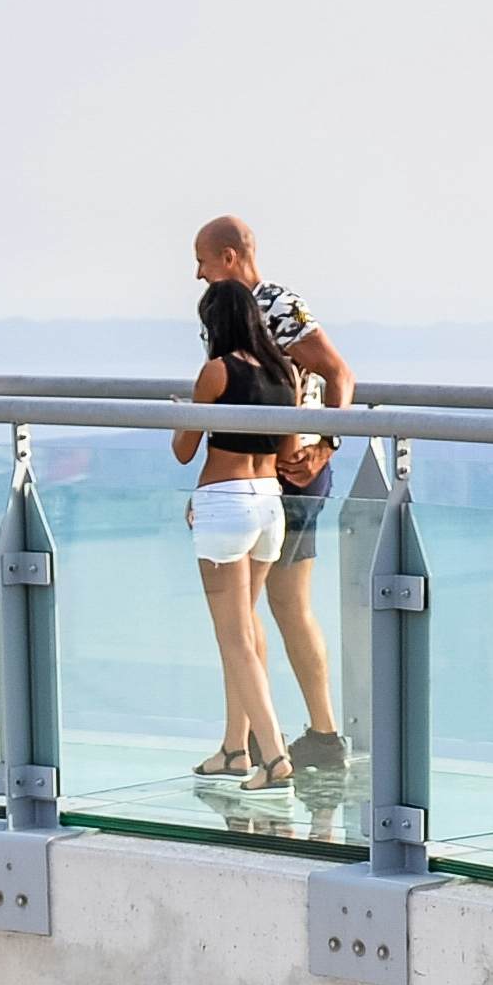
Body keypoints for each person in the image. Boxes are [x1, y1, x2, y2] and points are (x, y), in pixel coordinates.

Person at [195, 219, 358, 772]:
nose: (197, 273)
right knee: (265, 610)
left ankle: (292, 738)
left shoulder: (277, 306)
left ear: (230, 256)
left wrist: (326, 445)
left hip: (288, 477)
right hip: (259, 480)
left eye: (204, 261)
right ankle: (254, 742)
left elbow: (339, 374)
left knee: (269, 609)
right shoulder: (229, 314)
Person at [174, 277, 301, 790]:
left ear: (214, 324)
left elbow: (185, 450)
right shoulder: (284, 372)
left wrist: (183, 414)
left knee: (234, 639)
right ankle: (234, 748)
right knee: (245, 628)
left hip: (224, 504)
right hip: (270, 502)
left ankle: (272, 755)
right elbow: (291, 449)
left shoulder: (215, 372)